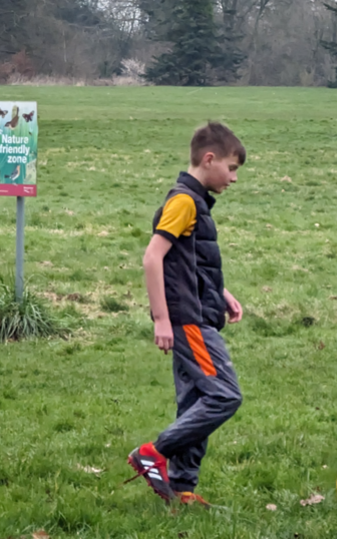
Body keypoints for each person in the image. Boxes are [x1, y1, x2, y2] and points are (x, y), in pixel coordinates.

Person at [126, 122, 247, 506]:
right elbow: (153, 257)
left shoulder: (196, 204)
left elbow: (189, 261)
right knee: (224, 396)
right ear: (209, 159)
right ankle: (153, 453)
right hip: (188, 320)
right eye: (231, 168)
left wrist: (222, 293)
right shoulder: (184, 202)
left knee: (195, 403)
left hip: (199, 312)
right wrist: (162, 319)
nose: (234, 178)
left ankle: (181, 488)